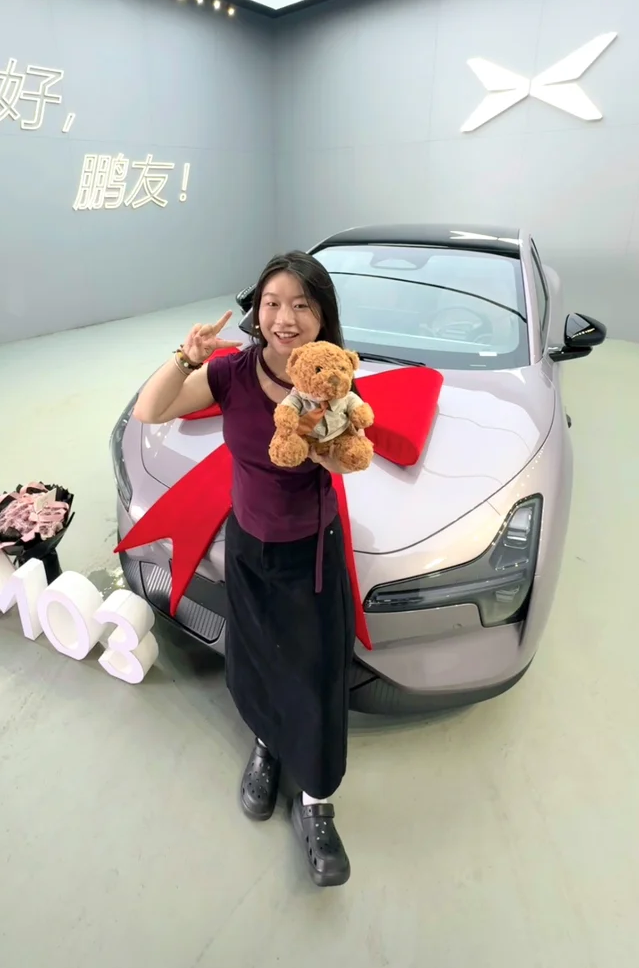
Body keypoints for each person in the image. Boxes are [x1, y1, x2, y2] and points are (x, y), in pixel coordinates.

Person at [133, 251, 366, 888]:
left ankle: (316, 799)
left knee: (317, 673)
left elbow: (350, 461)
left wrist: (322, 441)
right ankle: (267, 745)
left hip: (309, 553)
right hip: (247, 545)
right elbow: (152, 410)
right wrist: (187, 357)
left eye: (301, 305)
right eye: (272, 303)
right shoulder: (231, 372)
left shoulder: (334, 381)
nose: (285, 318)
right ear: (256, 311)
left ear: (322, 316)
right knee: (257, 655)